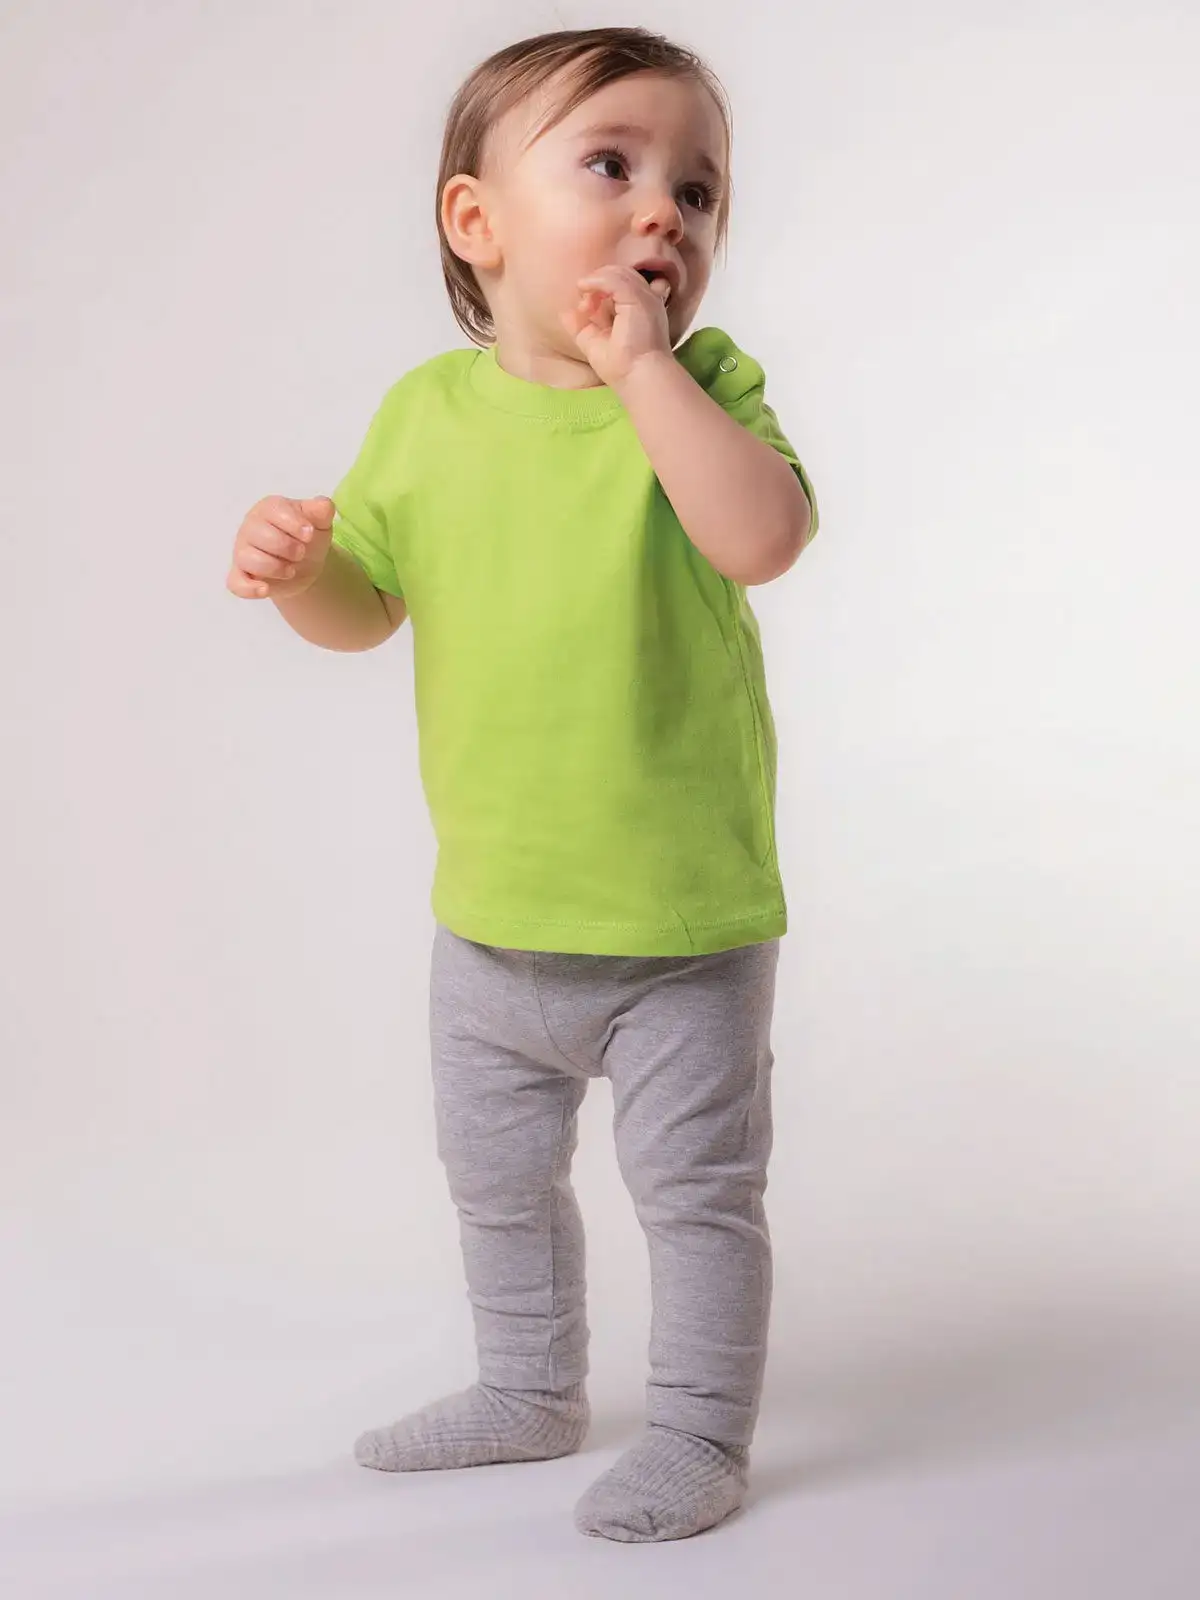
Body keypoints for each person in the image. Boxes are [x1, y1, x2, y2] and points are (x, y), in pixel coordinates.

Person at [225, 25, 819, 1544]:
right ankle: (529, 1385)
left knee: (695, 1196)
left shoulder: (704, 389)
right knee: (496, 1183)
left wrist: (644, 372)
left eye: (699, 191)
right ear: (477, 222)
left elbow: (760, 537)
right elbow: (369, 606)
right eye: (612, 165)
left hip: (680, 928)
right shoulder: (427, 415)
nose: (664, 211)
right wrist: (301, 576)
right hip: (489, 925)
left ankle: (698, 1431)